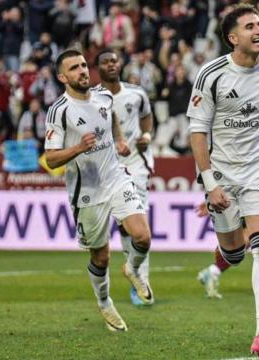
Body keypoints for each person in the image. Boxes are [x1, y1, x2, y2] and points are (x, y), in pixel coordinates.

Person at [187, 4, 259, 358]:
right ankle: (223, 254)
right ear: (233, 38)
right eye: (250, 26)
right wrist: (209, 184)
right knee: (235, 254)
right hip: (221, 171)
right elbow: (197, 132)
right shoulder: (212, 75)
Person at [44, 49, 153, 332]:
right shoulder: (60, 111)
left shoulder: (103, 96)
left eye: (83, 65)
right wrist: (79, 147)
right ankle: (105, 302)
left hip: (115, 177)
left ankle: (131, 268)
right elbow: (51, 157)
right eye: (74, 68)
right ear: (62, 77)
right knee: (100, 257)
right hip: (87, 190)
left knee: (142, 236)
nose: (82, 71)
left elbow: (113, 119)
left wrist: (118, 140)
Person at [95, 49, 155, 306]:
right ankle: (133, 271)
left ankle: (141, 281)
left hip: (136, 165)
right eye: (105, 62)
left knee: (139, 223)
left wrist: (147, 137)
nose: (111, 64)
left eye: (114, 60)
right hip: (108, 169)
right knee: (124, 226)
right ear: (97, 68)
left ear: (119, 64)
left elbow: (148, 119)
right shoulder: (93, 98)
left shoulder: (137, 94)